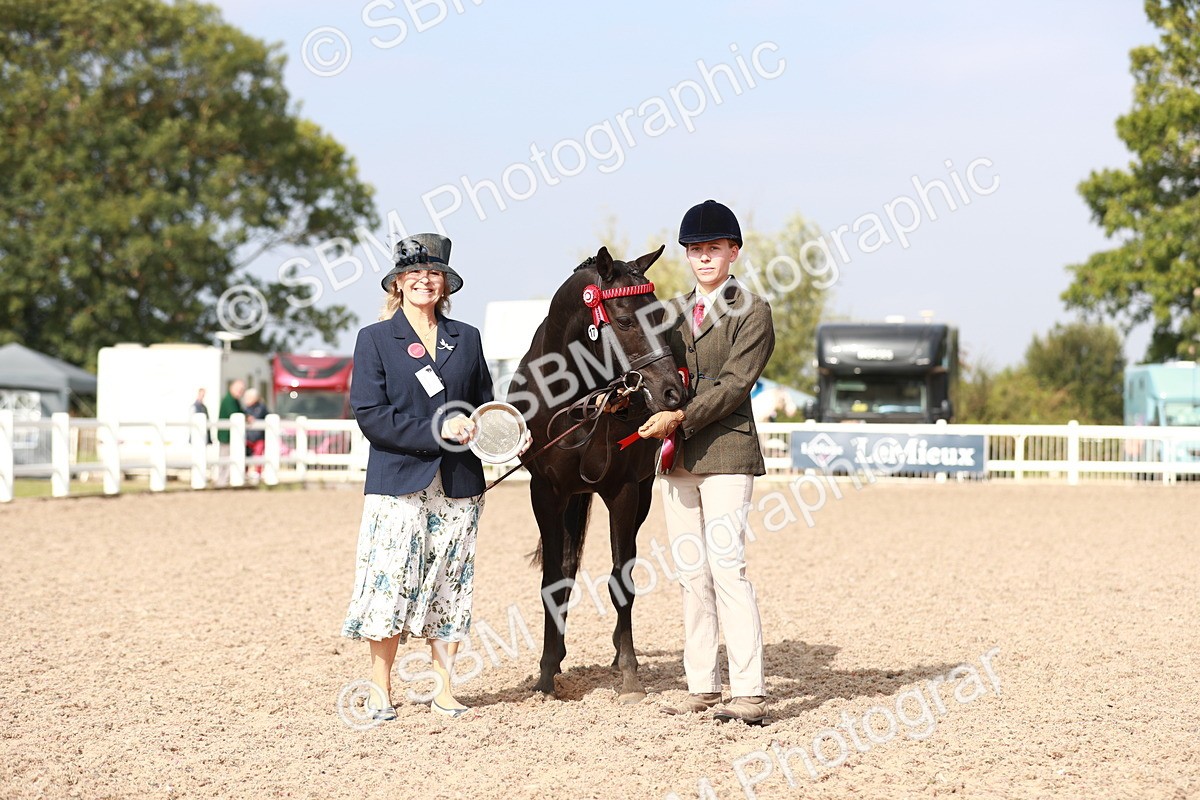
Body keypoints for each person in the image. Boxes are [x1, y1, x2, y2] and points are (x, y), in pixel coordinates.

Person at [341, 233, 525, 722]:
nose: (425, 280)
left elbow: (483, 405)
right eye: (415, 273)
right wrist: (435, 430)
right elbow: (370, 414)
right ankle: (380, 690)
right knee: (389, 584)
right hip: (397, 482)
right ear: (398, 283)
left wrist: (506, 434)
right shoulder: (374, 339)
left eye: (434, 273)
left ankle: (444, 690)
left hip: (459, 483)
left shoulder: (467, 337)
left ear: (445, 283)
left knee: (452, 585)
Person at [638, 200, 776, 726]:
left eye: (713, 249)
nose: (703, 258)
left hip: (727, 451)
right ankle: (702, 684)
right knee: (690, 572)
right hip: (677, 459)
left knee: (727, 569)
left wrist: (678, 418)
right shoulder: (669, 312)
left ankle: (749, 690)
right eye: (695, 250)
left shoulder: (753, 310)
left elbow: (737, 384)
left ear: (733, 252)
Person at [215, 379, 244, 487]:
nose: (240, 392)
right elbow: (235, 414)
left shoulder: (234, 400)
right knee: (225, 459)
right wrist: (246, 418)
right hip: (226, 435)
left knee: (229, 458)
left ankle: (225, 480)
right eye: (239, 389)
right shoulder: (229, 400)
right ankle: (222, 481)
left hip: (231, 436)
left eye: (242, 390)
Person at [242, 387, 268, 482]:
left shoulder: (261, 408)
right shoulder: (246, 408)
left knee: (258, 455)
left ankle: (258, 473)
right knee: (245, 455)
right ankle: (244, 473)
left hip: (258, 437)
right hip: (248, 437)